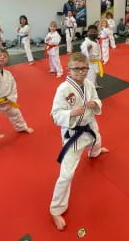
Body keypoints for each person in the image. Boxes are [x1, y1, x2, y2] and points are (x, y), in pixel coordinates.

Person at [49, 52, 109, 230]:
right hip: (74, 134)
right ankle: (56, 209)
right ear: (69, 69)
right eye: (77, 69)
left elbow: (97, 100)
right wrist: (71, 113)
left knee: (97, 141)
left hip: (90, 125)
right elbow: (55, 115)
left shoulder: (89, 84)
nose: (81, 72)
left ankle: (95, 152)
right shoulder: (62, 89)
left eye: (84, 68)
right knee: (66, 174)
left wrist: (95, 104)